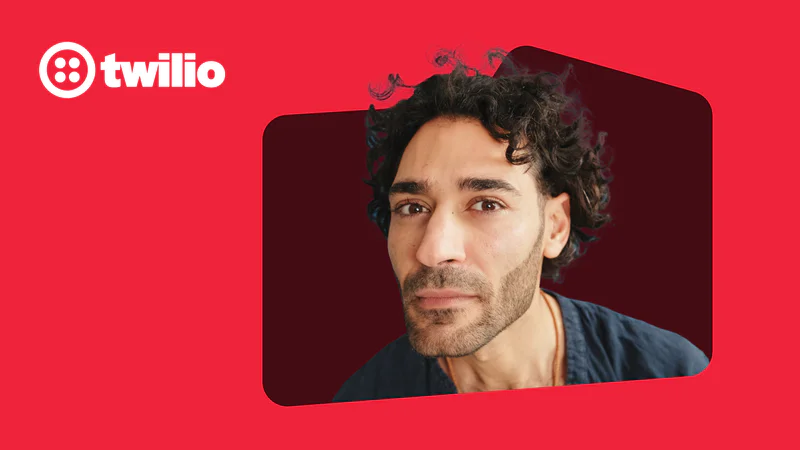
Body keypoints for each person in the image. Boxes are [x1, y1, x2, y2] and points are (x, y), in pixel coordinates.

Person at [333, 50, 709, 403]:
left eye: (486, 204)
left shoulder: (670, 375)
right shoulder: (360, 403)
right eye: (412, 207)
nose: (432, 250)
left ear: (555, 227)